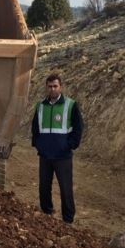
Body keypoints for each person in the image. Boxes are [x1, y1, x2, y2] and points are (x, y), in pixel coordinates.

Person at [31, 73, 84, 224]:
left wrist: (70, 145)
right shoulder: (40, 106)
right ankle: (46, 212)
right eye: (50, 86)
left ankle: (68, 219)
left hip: (63, 156)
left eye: (55, 86)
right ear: (46, 88)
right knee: (44, 187)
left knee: (65, 189)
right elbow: (35, 127)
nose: (52, 89)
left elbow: (78, 128)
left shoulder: (70, 105)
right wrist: (38, 144)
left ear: (61, 87)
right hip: (46, 155)